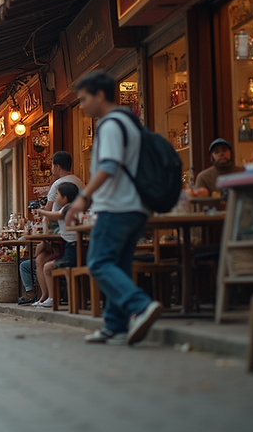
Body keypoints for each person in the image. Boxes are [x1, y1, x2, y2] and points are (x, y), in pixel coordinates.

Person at [65, 70, 163, 345]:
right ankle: (115, 325)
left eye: (84, 99)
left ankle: (140, 306)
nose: (82, 106)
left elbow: (108, 166)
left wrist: (82, 198)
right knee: (118, 264)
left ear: (100, 95)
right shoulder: (130, 122)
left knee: (98, 262)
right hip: (137, 207)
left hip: (116, 206)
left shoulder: (110, 125)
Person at [19, 150, 84, 305]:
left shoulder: (58, 185)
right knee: (40, 256)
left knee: (40, 256)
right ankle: (47, 297)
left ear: (57, 167)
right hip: (72, 237)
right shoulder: (79, 182)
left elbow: (49, 212)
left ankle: (47, 297)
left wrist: (40, 213)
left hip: (60, 235)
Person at [35, 182, 81, 308]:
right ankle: (51, 297)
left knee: (48, 267)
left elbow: (58, 215)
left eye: (57, 195)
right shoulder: (74, 208)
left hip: (73, 251)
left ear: (65, 198)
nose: (55, 197)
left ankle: (52, 298)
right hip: (75, 249)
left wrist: (43, 212)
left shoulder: (68, 208)